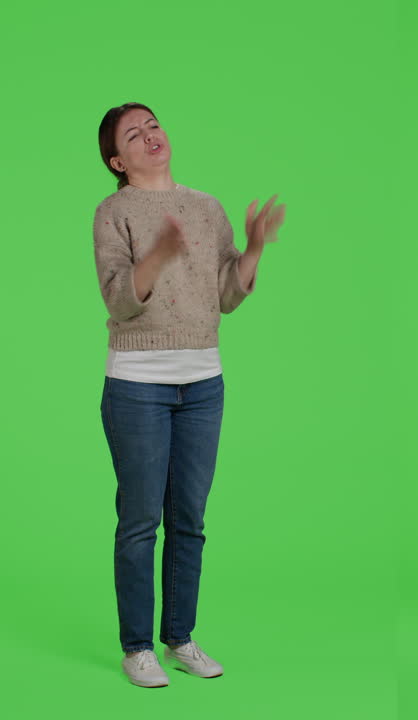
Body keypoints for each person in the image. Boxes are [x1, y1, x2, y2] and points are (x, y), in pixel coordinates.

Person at [94, 102, 285, 688]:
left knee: (190, 519)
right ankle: (136, 647)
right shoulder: (112, 213)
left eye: (153, 125)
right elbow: (118, 299)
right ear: (116, 161)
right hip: (137, 386)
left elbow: (226, 294)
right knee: (139, 520)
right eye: (134, 134)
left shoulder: (206, 208)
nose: (150, 136)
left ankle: (179, 637)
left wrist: (252, 248)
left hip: (203, 382)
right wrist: (156, 256)